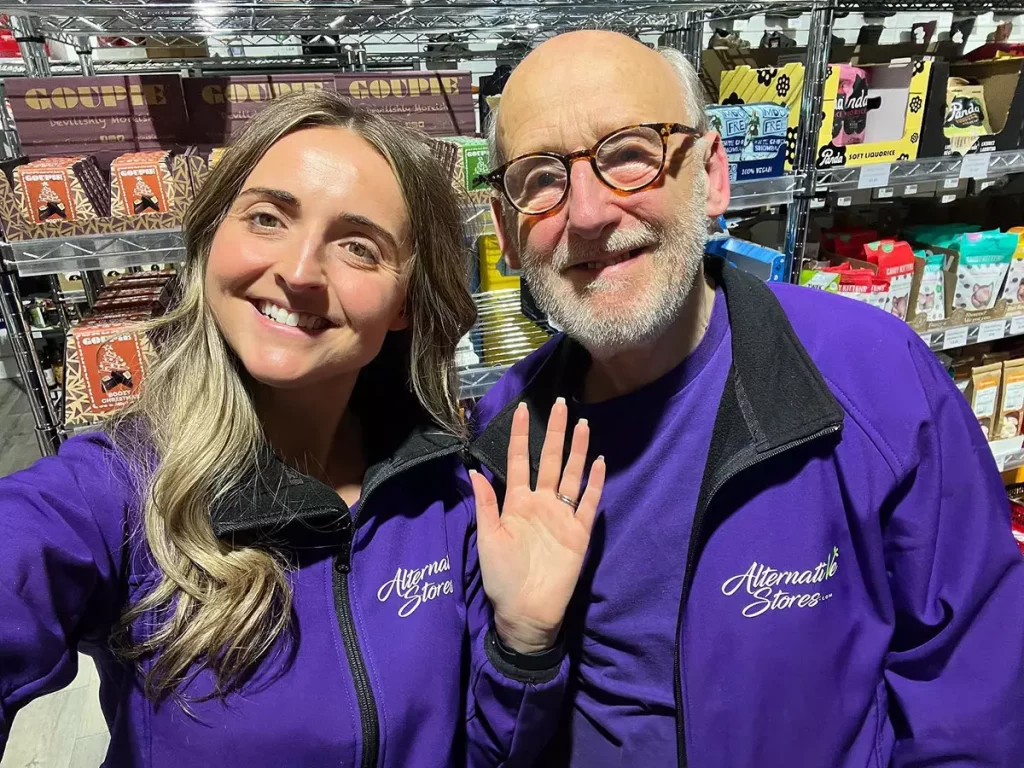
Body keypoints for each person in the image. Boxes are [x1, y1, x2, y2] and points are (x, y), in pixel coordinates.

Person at [0, 90, 607, 766]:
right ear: (212, 240)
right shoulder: (115, 493)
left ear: (405, 302)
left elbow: (484, 751)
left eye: (358, 247)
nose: (297, 272)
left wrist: (523, 644)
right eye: (267, 218)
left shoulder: (446, 496)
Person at [471, 30, 1024, 767]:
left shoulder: (874, 378)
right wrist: (523, 648)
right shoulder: (501, 439)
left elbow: (971, 698)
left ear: (711, 176)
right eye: (541, 178)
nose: (591, 212)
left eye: (630, 153)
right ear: (507, 234)